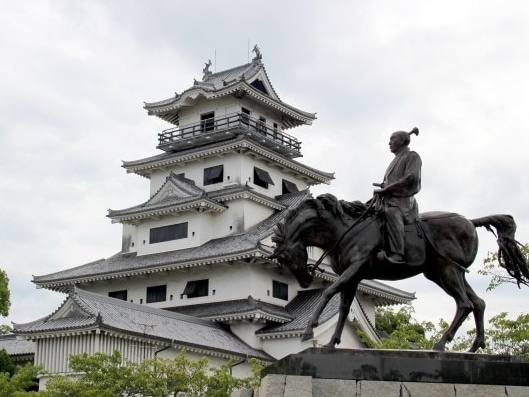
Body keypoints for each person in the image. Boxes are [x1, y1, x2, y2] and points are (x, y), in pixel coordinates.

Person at [373, 127, 421, 264]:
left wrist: (387, 189)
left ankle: (397, 253)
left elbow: (411, 179)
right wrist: (383, 187)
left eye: (392, 139)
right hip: (389, 198)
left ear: (401, 141)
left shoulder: (412, 156)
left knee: (391, 212)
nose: (389, 143)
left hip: (403, 202)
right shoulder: (396, 160)